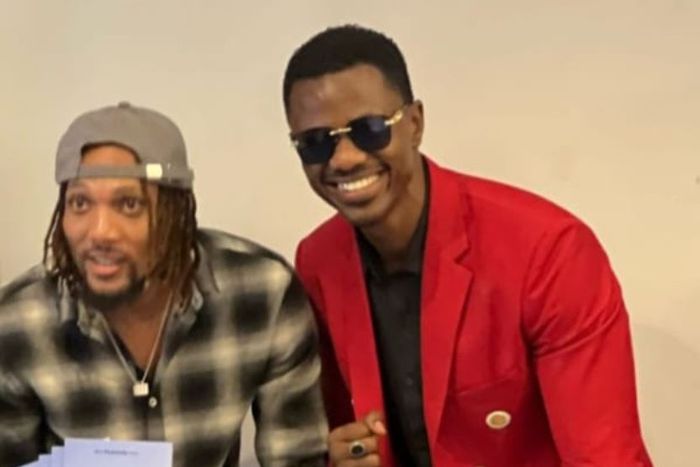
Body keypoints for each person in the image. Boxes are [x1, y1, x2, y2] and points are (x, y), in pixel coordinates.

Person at [283, 25, 652, 466]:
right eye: (315, 143)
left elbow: (605, 457)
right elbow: (341, 431)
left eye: (370, 129)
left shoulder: (548, 251)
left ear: (414, 124)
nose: (343, 158)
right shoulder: (318, 261)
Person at [0, 102, 327, 467]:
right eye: (80, 203)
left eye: (129, 204)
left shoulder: (263, 292)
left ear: (177, 213)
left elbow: (297, 458)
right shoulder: (16, 324)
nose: (100, 232)